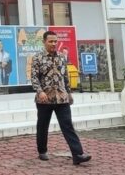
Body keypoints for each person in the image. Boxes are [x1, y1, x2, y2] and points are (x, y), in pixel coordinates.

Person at [32, 31, 92, 165]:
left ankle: (78, 154)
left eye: (55, 41)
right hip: (44, 99)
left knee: (68, 125)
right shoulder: (37, 58)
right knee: (42, 126)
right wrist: (40, 91)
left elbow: (65, 77)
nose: (53, 44)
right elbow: (34, 77)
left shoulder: (61, 57)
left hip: (62, 98)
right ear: (44, 42)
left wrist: (69, 93)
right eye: (50, 41)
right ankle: (42, 150)